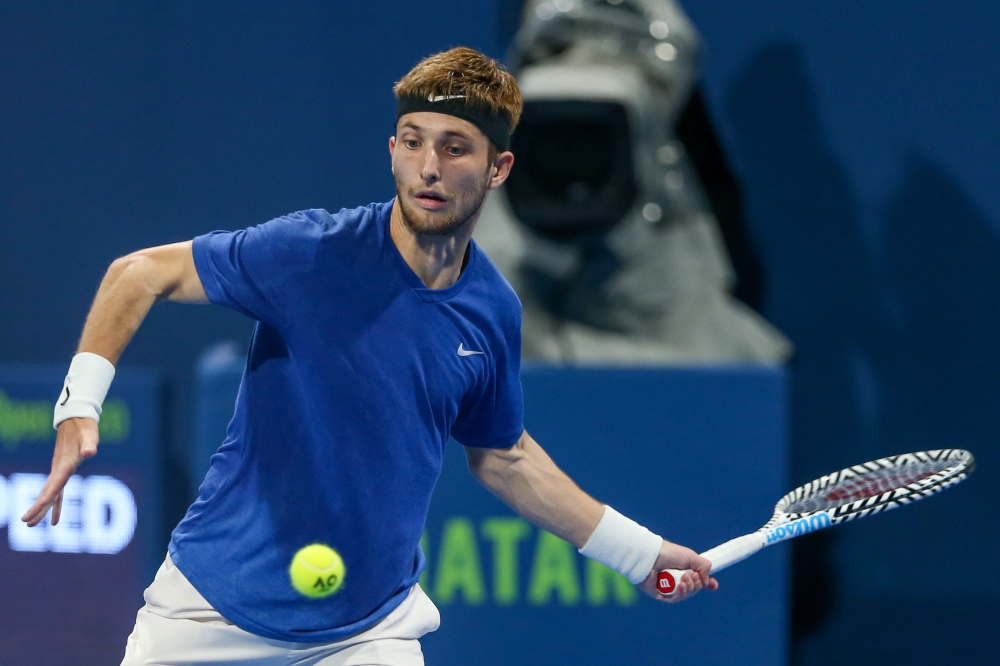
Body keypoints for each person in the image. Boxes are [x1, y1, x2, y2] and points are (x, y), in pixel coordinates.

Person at [21, 47, 717, 666]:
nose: (428, 168)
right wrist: (80, 405)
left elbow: (504, 458)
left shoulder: (492, 310)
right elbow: (139, 273)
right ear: (392, 149)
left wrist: (639, 555)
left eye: (455, 148)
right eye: (413, 142)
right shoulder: (310, 254)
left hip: (368, 631)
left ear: (498, 168)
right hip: (212, 609)